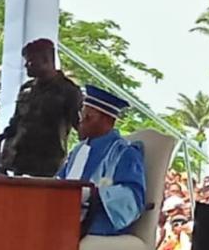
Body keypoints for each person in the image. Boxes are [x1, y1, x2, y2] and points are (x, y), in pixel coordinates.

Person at [56, 85, 146, 237]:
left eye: (88, 118)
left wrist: (93, 194)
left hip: (101, 220)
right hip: (70, 213)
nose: (81, 123)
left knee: (48, 228)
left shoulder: (124, 153)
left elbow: (132, 196)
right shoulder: (78, 150)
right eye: (81, 117)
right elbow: (61, 180)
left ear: (107, 121)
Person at [0, 38, 83, 176]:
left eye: (31, 61)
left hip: (47, 166)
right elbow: (16, 122)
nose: (26, 65)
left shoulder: (68, 90)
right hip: (17, 162)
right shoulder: (26, 88)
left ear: (46, 60)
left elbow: (80, 126)